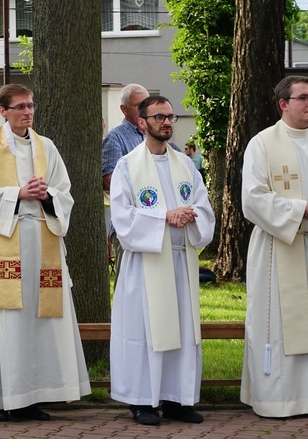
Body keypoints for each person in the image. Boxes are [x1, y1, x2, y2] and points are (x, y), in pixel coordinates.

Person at [0, 83, 90, 422]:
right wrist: (17, 193)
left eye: (30, 106)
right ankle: (0, 398)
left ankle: (33, 395)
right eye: (19, 107)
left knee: (39, 320)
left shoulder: (46, 146)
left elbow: (65, 192)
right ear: (2, 111)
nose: (27, 112)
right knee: (8, 320)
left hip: (43, 239)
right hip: (9, 238)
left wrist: (48, 197)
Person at [109, 95, 214, 426]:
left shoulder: (184, 164)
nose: (167, 122)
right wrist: (165, 217)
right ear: (142, 123)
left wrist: (191, 216)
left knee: (181, 331)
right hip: (146, 264)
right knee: (143, 332)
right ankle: (141, 401)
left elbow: (204, 208)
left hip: (181, 262)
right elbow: (123, 219)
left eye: (170, 117)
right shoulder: (127, 166)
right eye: (159, 117)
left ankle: (176, 399)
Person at [241, 75, 308, 418]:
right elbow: (252, 200)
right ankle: (280, 399)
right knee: (280, 325)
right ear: (284, 103)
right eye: (303, 97)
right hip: (277, 248)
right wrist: (301, 211)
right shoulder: (263, 144)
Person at [102, 84, 150, 276]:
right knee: (130, 284)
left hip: (156, 222)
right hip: (129, 225)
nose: (145, 110)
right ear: (124, 109)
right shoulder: (115, 138)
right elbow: (109, 181)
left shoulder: (154, 135)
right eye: (139, 105)